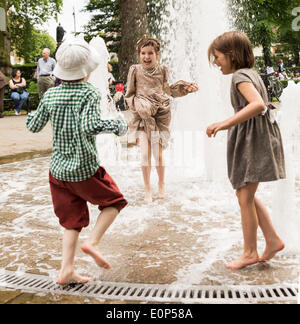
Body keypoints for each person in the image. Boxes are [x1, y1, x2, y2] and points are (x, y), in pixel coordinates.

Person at [26, 38, 128, 285]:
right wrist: (118, 125)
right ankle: (92, 242)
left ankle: (66, 270)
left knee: (71, 222)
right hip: (84, 170)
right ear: (88, 70)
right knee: (115, 201)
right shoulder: (90, 92)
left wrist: (33, 113)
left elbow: (33, 125)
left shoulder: (51, 95)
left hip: (58, 172)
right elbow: (90, 125)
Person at [206, 31, 286, 270]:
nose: (215, 62)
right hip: (255, 136)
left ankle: (250, 251)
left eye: (218, 57)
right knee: (244, 194)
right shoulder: (251, 73)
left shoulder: (240, 76)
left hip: (253, 139)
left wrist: (224, 123)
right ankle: (272, 240)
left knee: (245, 196)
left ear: (231, 55)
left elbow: (258, 104)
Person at [125, 36, 198, 203]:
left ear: (157, 53)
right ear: (139, 54)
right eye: (143, 53)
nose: (146, 57)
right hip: (143, 117)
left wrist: (185, 89)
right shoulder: (135, 70)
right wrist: (138, 107)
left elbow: (167, 90)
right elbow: (129, 94)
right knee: (144, 154)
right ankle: (147, 189)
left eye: (150, 53)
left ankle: (161, 184)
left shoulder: (163, 69)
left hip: (159, 116)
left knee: (158, 154)